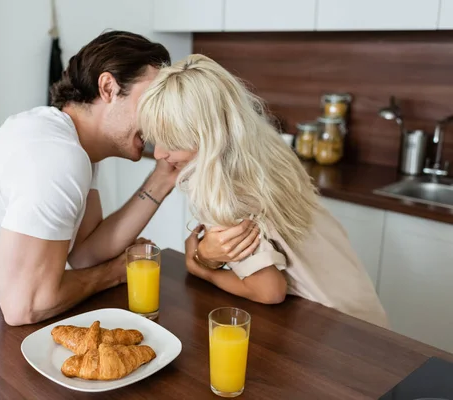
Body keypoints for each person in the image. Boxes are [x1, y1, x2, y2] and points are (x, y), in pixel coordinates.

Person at [0, 32, 257, 335]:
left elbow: (85, 252)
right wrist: (116, 272)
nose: (163, 113)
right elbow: (26, 306)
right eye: (154, 97)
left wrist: (163, 178)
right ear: (108, 88)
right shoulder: (57, 156)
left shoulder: (64, 140)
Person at [138, 54, 389, 328]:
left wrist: (201, 269)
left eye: (171, 142)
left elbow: (269, 291)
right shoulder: (267, 146)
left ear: (207, 136)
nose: (160, 153)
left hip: (328, 326)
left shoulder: (218, 189)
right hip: (364, 313)